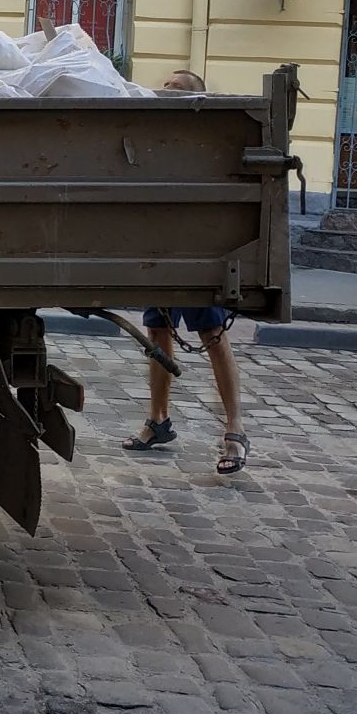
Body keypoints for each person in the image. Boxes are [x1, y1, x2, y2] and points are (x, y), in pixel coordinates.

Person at [123, 69, 250, 474]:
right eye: (166, 84)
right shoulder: (156, 131)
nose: (166, 89)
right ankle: (158, 420)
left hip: (196, 251)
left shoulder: (203, 136)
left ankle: (235, 428)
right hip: (161, 248)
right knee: (158, 334)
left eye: (176, 87)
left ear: (195, 98)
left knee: (212, 335)